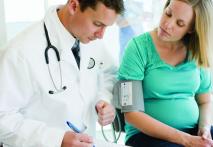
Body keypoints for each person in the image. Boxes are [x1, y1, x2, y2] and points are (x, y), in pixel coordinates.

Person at [0, 0, 124, 146]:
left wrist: (103, 100)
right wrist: (56, 140)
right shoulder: (20, 52)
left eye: (106, 27)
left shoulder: (90, 38)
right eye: (97, 24)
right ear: (74, 6)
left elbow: (108, 73)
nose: (101, 35)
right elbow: (3, 117)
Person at [118, 0, 213, 147]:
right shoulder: (137, 48)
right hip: (145, 136)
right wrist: (186, 140)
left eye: (180, 23)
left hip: (191, 131)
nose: (167, 24)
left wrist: (205, 129)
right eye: (168, 13)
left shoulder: (197, 52)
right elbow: (131, 114)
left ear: (192, 28)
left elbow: (204, 101)